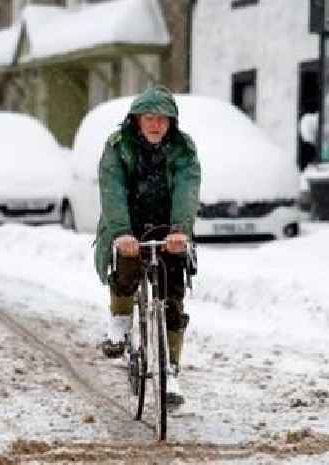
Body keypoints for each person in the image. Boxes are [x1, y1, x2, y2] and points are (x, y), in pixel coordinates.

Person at [94, 85, 201, 405]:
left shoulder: (183, 149)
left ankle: (170, 370)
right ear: (136, 120)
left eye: (163, 119)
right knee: (127, 265)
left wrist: (181, 230)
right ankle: (120, 323)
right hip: (127, 223)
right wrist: (121, 232)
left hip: (170, 227)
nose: (156, 125)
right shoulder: (118, 146)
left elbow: (187, 188)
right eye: (149, 118)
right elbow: (111, 188)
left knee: (172, 294)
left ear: (172, 124)